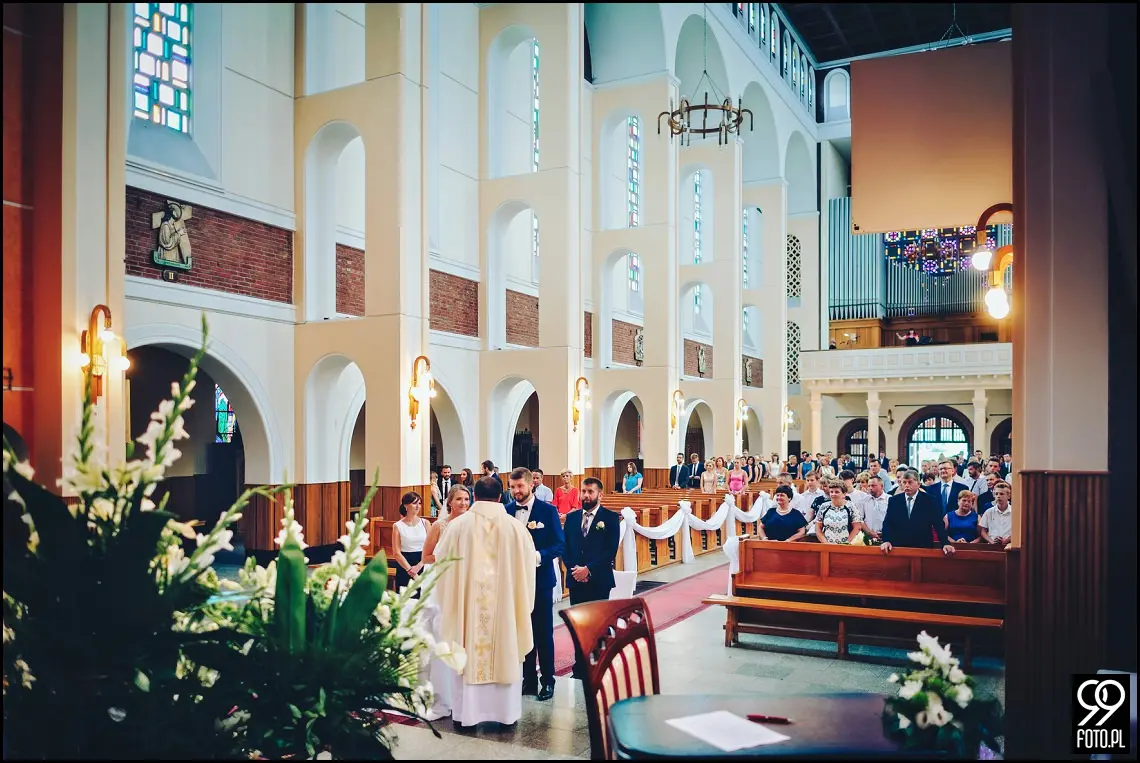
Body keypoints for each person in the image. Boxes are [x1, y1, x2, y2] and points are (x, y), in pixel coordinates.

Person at [435, 476, 538, 729]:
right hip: (505, 615)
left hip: (468, 616)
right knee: (506, 649)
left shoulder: (458, 527)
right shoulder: (516, 528)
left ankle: (466, 716)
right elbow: (528, 572)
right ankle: (505, 715)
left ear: (475, 496)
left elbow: (441, 566)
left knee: (468, 652)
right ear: (502, 497)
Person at [506, 468, 565, 702]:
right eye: (512, 487)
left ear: (531, 486)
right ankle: (527, 679)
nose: (516, 491)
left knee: (542, 632)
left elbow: (559, 544)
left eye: (520, 486)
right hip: (514, 582)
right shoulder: (507, 511)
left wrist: (537, 556)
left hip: (540, 581)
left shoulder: (547, 511)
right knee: (521, 629)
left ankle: (548, 681)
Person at [563, 478, 622, 675]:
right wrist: (575, 570)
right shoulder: (571, 519)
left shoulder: (611, 518)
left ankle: (598, 665)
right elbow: (566, 548)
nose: (586, 495)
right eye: (584, 491)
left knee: (598, 625)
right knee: (578, 624)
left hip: (598, 580)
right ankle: (580, 667)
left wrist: (588, 570)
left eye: (590, 492)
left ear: (600, 495)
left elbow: (609, 551)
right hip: (576, 580)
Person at [880, 469, 955, 556]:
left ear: (919, 484)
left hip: (922, 547)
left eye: (910, 482)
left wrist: (945, 543)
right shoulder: (894, 500)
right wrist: (886, 540)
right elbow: (888, 523)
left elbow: (938, 523)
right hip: (899, 546)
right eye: (904, 482)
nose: (907, 485)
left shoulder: (929, 500)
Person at [392, 492, 430, 594]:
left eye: (420, 503)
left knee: (423, 599)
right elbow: (396, 552)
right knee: (405, 600)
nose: (418, 506)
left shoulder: (425, 523)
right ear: (405, 505)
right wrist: (410, 571)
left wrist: (419, 565)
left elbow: (432, 548)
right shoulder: (397, 526)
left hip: (423, 563)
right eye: (414, 503)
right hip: (405, 564)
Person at [814, 479, 865, 545]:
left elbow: (857, 527)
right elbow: (818, 527)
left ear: (844, 494)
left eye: (837, 492)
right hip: (827, 546)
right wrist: (825, 542)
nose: (833, 494)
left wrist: (846, 543)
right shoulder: (824, 506)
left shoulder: (851, 506)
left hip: (846, 546)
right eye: (831, 492)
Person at [978, 481, 1013, 546]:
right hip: (992, 545)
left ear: (1009, 496)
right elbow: (983, 531)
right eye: (996, 494)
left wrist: (1007, 540)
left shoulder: (1014, 512)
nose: (998, 496)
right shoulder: (989, 512)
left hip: (1009, 545)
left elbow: (1019, 531)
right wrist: (991, 541)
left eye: (1001, 494)